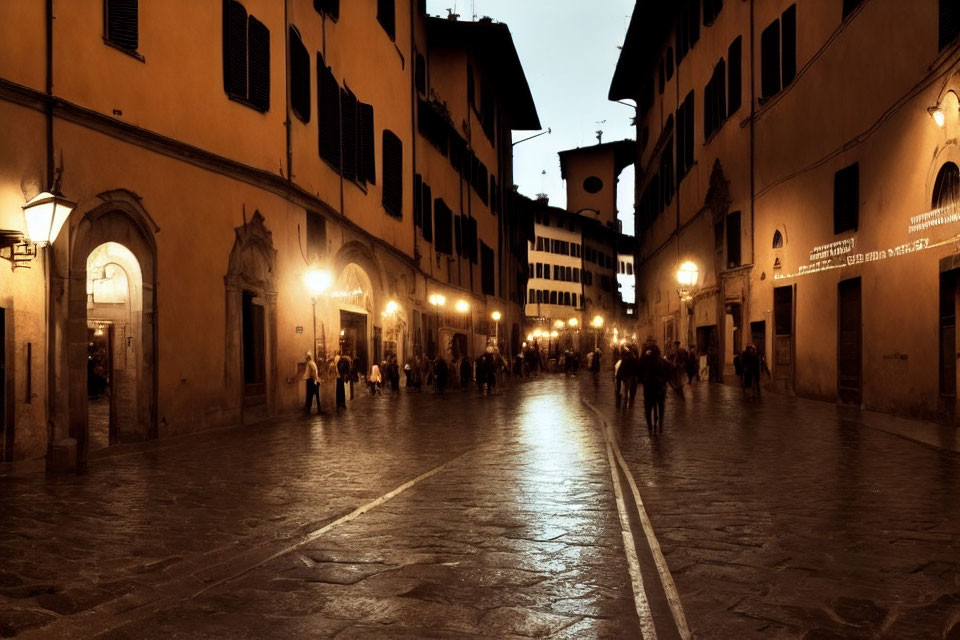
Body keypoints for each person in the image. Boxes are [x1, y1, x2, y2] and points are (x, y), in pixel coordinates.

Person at [639, 341, 667, 433]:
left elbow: (640, 370)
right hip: (659, 387)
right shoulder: (661, 360)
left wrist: (640, 380)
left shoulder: (645, 359)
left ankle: (650, 426)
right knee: (661, 405)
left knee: (648, 407)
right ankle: (661, 424)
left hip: (649, 387)